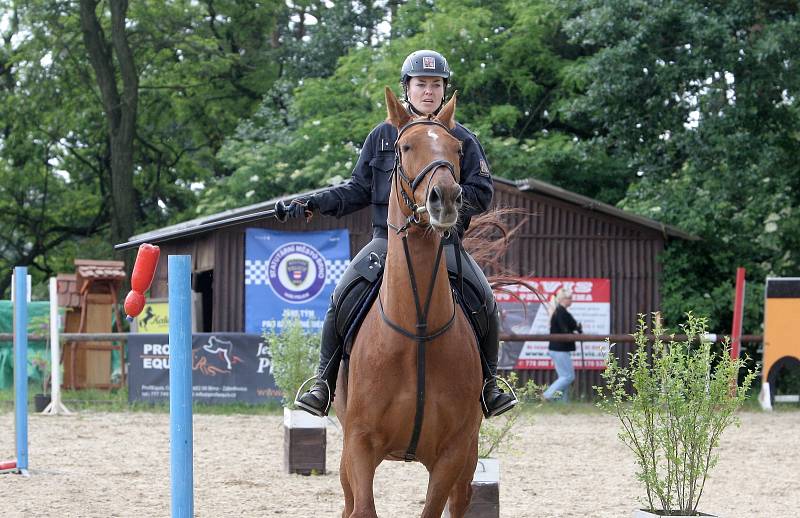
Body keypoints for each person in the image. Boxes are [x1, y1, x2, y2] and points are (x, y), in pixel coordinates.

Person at [280, 49, 517, 418]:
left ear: (443, 90)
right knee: (342, 294)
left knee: (483, 298)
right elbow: (357, 189)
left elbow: (482, 192)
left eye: (435, 84)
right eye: (421, 84)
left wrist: (444, 200)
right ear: (407, 88)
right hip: (386, 240)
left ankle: (489, 385)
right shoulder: (381, 136)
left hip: (445, 241)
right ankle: (323, 383)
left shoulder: (461, 137)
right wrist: (313, 202)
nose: (428, 91)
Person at [543, 288, 582, 401]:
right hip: (560, 348)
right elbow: (564, 330)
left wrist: (576, 328)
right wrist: (575, 331)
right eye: (570, 298)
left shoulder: (561, 312)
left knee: (564, 377)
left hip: (559, 348)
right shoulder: (560, 312)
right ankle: (547, 395)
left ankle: (563, 403)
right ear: (563, 299)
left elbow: (571, 326)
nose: (571, 300)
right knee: (568, 376)